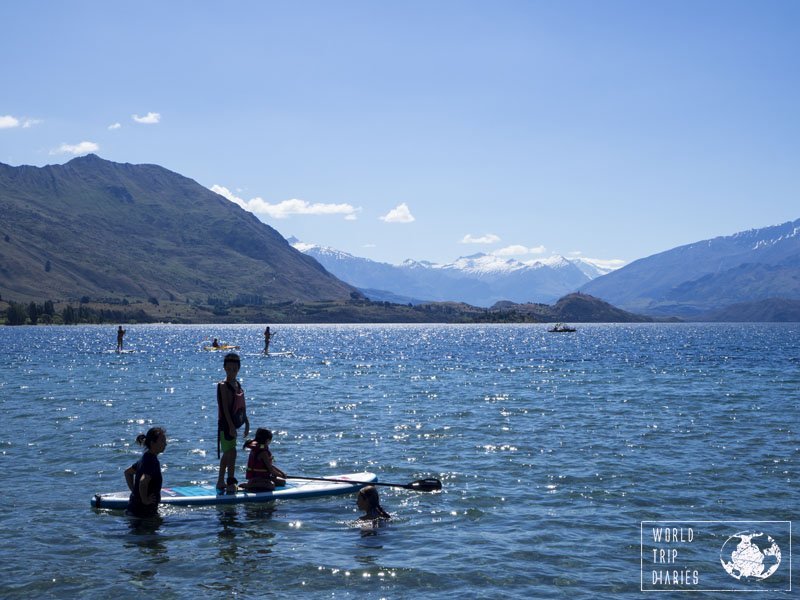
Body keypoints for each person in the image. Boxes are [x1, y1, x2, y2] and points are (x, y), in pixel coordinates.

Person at [216, 353, 249, 494]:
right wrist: (230, 426)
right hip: (225, 425)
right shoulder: (223, 386)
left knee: (228, 453)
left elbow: (242, 406)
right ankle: (230, 481)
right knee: (232, 453)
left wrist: (247, 423)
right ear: (224, 368)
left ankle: (220, 481)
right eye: (228, 369)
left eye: (234, 369)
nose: (231, 371)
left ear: (238, 369)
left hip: (234, 425)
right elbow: (224, 408)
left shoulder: (238, 384)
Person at [124, 427, 167, 518]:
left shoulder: (145, 458)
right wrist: (145, 500)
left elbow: (128, 473)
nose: (165, 444)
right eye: (162, 441)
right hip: (143, 513)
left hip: (135, 510)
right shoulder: (151, 461)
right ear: (152, 443)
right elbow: (143, 481)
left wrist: (135, 493)